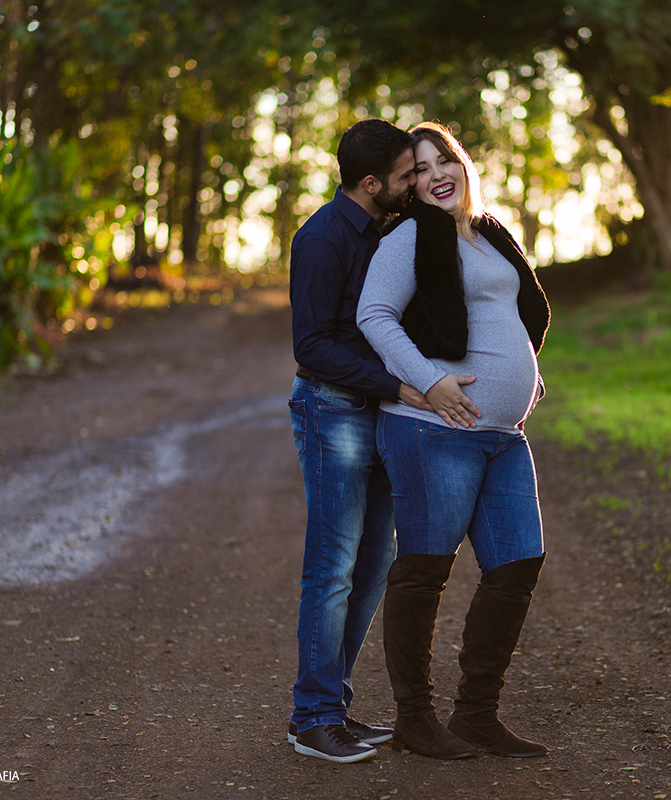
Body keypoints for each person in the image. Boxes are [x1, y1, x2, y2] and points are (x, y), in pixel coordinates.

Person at [357, 121, 551, 760]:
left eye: (445, 160)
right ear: (408, 184)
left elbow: (512, 312)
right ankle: (415, 719)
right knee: (423, 572)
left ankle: (475, 715)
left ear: (463, 165)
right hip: (434, 430)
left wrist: (528, 372)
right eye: (420, 167)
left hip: (502, 433)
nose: (437, 173)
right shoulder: (409, 237)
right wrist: (431, 380)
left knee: (518, 562)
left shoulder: (489, 234)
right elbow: (374, 316)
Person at [287, 118, 433, 764]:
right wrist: (396, 387)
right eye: (406, 176)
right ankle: (312, 716)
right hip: (335, 413)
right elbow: (311, 347)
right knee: (332, 567)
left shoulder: (388, 230)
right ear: (370, 183)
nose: (415, 184)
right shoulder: (320, 240)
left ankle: (333, 705)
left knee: (374, 564)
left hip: (377, 413)